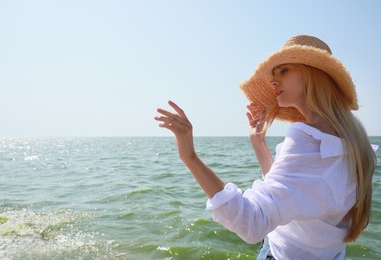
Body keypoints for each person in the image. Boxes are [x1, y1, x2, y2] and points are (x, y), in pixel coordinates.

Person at [154, 35, 376, 259]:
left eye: (284, 70)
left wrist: (189, 155)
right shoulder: (354, 145)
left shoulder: (307, 139)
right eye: (273, 74)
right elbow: (294, 195)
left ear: (312, 74)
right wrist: (258, 142)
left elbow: (251, 222)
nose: (273, 80)